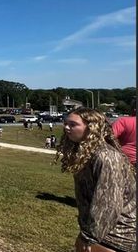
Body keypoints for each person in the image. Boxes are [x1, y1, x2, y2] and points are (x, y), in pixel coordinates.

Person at [57, 108, 136, 252]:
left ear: (91, 128)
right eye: (65, 123)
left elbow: (108, 203)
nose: (66, 128)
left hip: (116, 236)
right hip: (99, 233)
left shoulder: (107, 157)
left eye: (73, 124)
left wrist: (89, 236)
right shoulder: (86, 153)